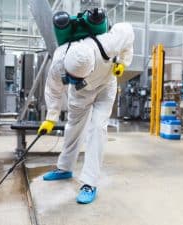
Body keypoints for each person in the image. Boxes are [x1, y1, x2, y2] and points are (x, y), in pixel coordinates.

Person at [38, 22, 134, 204]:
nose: (74, 80)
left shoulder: (107, 44)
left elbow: (128, 30)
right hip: (80, 95)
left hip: (105, 88)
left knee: (97, 129)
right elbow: (53, 89)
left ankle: (89, 182)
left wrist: (123, 61)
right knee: (73, 127)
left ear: (91, 67)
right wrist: (51, 117)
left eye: (77, 78)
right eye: (71, 78)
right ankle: (64, 168)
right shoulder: (60, 60)